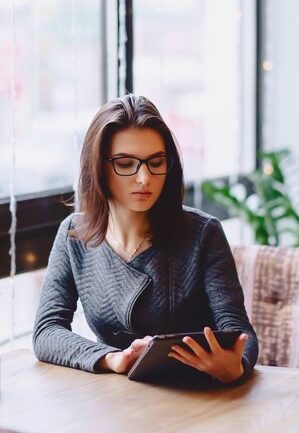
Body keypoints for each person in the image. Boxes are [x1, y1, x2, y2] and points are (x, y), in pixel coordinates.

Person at [33, 94, 258, 385]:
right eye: (126, 164)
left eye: (156, 162)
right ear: (98, 166)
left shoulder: (203, 233)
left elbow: (240, 331)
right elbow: (47, 331)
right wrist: (110, 358)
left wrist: (235, 367)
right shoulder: (74, 235)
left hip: (197, 396)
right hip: (118, 399)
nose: (144, 178)